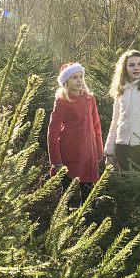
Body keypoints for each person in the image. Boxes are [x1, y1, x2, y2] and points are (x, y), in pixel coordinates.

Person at [47, 62, 103, 205]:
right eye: (74, 78)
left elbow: (96, 126)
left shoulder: (90, 98)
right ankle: (65, 223)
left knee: (89, 195)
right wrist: (56, 161)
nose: (79, 81)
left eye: (81, 76)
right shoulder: (62, 101)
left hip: (89, 154)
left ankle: (87, 222)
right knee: (67, 196)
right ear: (66, 81)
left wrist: (98, 152)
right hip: (70, 155)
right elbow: (52, 132)